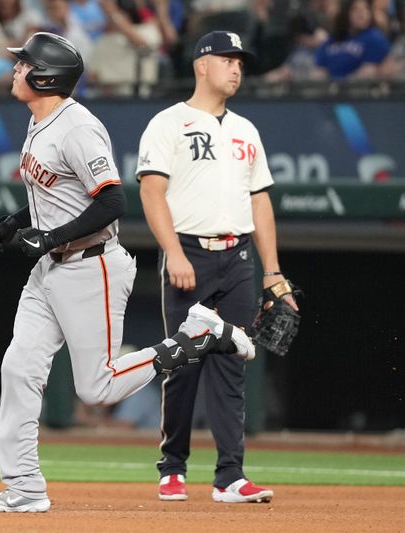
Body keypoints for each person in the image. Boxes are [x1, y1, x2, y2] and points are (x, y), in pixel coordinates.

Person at [0, 31, 255, 513]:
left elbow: (113, 198)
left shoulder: (77, 127)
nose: (15, 69)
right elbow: (54, 193)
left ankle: (196, 338)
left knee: (96, 388)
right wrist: (12, 224)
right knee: (17, 369)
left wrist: (51, 237)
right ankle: (25, 488)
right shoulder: (41, 121)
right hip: (51, 270)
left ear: (45, 76)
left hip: (91, 265)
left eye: (23, 64)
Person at [136, 30, 297, 504]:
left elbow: (260, 200)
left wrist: (273, 271)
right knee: (184, 362)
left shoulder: (247, 130)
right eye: (228, 59)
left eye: (241, 62)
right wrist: (176, 253)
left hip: (239, 257)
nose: (237, 68)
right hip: (190, 250)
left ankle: (229, 476)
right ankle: (173, 467)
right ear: (201, 64)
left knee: (232, 362)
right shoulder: (168, 123)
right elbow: (151, 192)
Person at [313, 0, 391, 79]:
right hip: (329, 88)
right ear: (346, 13)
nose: (362, 14)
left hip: (358, 88)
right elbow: (320, 70)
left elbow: (369, 71)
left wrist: (342, 86)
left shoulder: (374, 38)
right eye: (356, 10)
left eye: (366, 9)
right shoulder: (332, 40)